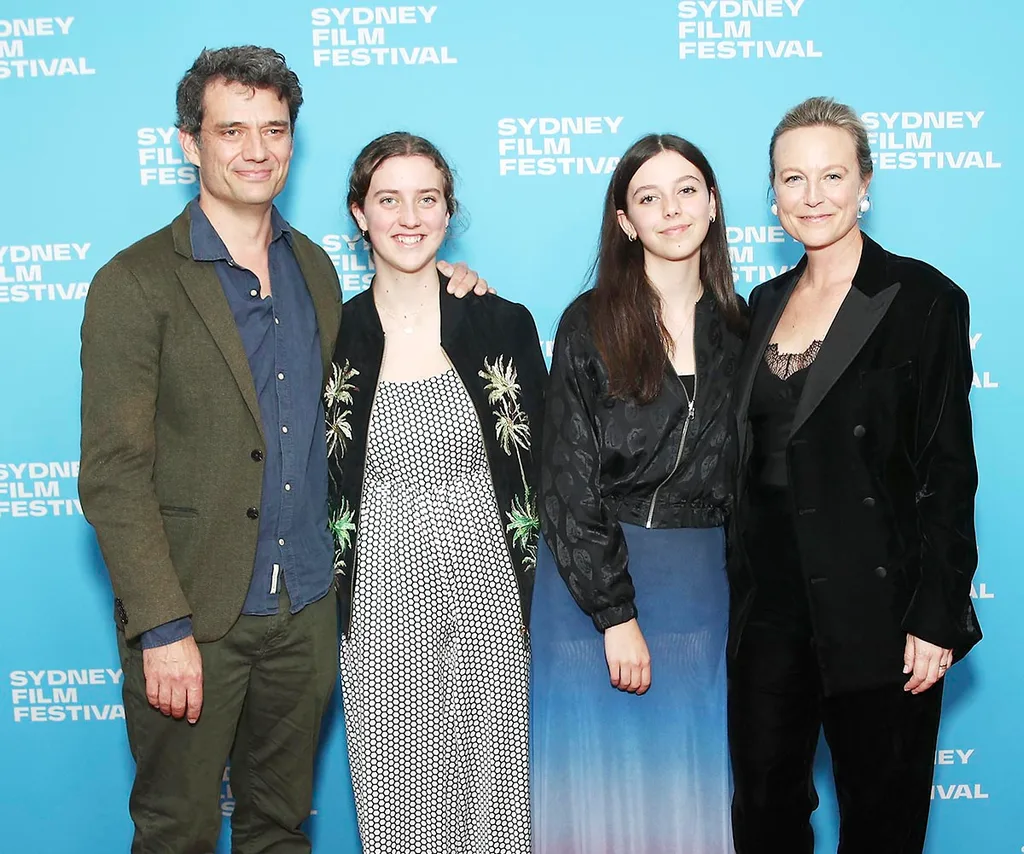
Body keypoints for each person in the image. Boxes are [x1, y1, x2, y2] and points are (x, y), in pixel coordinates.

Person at [79, 47, 485, 853]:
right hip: (195, 617)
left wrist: (451, 280)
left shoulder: (316, 269)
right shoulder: (135, 283)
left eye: (274, 130)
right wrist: (162, 628)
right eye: (231, 130)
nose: (256, 150)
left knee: (279, 831)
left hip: (306, 611)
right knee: (178, 831)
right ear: (190, 143)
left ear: (293, 142)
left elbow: (385, 338)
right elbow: (114, 476)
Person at [728, 96, 982, 854]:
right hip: (771, 608)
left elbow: (949, 466)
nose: (813, 197)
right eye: (793, 179)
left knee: (882, 822)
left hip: (879, 606)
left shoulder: (922, 300)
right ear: (772, 195)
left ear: (864, 184)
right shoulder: (762, 305)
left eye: (832, 176)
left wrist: (936, 614)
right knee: (765, 816)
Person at [324, 131, 546, 853]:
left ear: (449, 214)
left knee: (500, 786)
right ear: (360, 213)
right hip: (379, 586)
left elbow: (546, 465)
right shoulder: (331, 331)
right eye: (389, 199)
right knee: (396, 782)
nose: (409, 217)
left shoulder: (500, 320)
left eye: (428, 199)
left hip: (491, 578)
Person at [531, 134, 747, 853]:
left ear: (713, 205)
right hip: (591, 597)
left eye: (687, 190)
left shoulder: (747, 327)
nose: (671, 209)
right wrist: (615, 614)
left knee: (691, 791)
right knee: (591, 795)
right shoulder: (587, 323)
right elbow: (566, 483)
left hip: (702, 589)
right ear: (625, 220)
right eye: (647, 197)